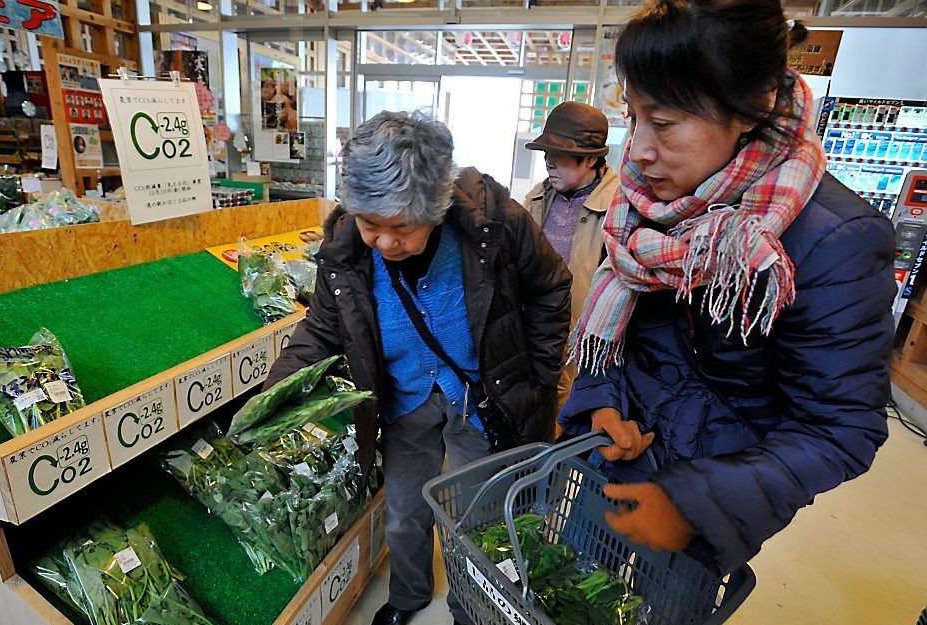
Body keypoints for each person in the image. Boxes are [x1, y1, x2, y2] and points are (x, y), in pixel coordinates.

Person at [560, 0, 894, 575]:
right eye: (633, 118)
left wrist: (694, 502)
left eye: (662, 122)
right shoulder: (645, 203)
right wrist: (601, 401)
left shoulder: (833, 239)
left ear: (752, 108)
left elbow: (840, 427)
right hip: (611, 463)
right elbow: (621, 336)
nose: (636, 150)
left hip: (705, 508)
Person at [265, 110, 571, 625]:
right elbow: (322, 326)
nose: (385, 243)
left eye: (401, 228)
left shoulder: (496, 222)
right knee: (405, 509)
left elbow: (550, 289)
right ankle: (407, 595)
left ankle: (470, 606)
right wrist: (278, 388)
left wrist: (537, 378)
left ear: (436, 206)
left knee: (479, 516)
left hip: (481, 397)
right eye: (371, 225)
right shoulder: (344, 246)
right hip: (406, 398)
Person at [521, 101, 620, 408]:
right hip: (534, 335)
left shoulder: (619, 208)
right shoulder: (536, 197)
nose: (548, 161)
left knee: (567, 424)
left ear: (590, 158)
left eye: (560, 155)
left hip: (583, 347)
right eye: (546, 152)